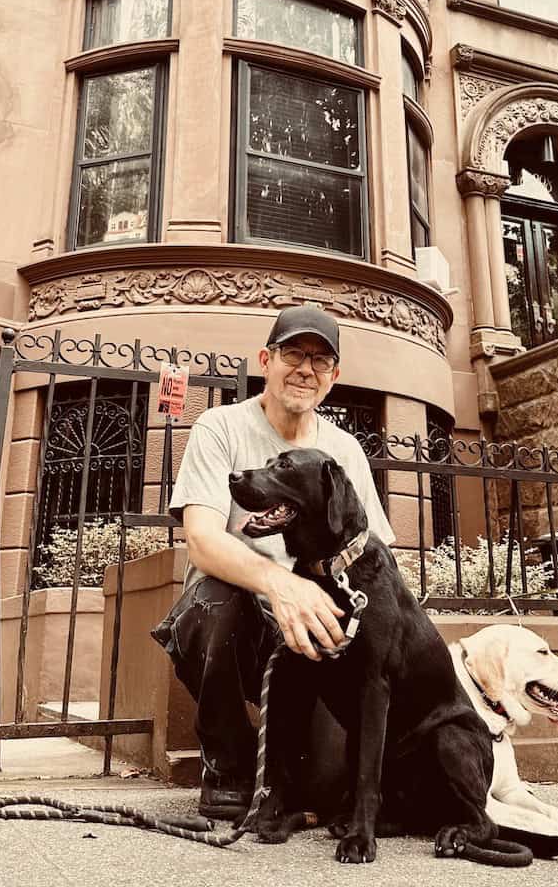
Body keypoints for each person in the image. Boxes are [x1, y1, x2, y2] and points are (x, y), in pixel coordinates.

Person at [152, 304, 394, 821]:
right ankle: (228, 762)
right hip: (239, 621)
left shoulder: (343, 451)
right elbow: (201, 539)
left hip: (315, 632)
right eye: (293, 353)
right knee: (213, 605)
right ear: (267, 358)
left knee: (327, 791)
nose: (305, 368)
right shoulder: (220, 427)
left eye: (321, 359)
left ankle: (289, 766)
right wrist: (282, 585)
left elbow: (377, 556)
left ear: (334, 377)